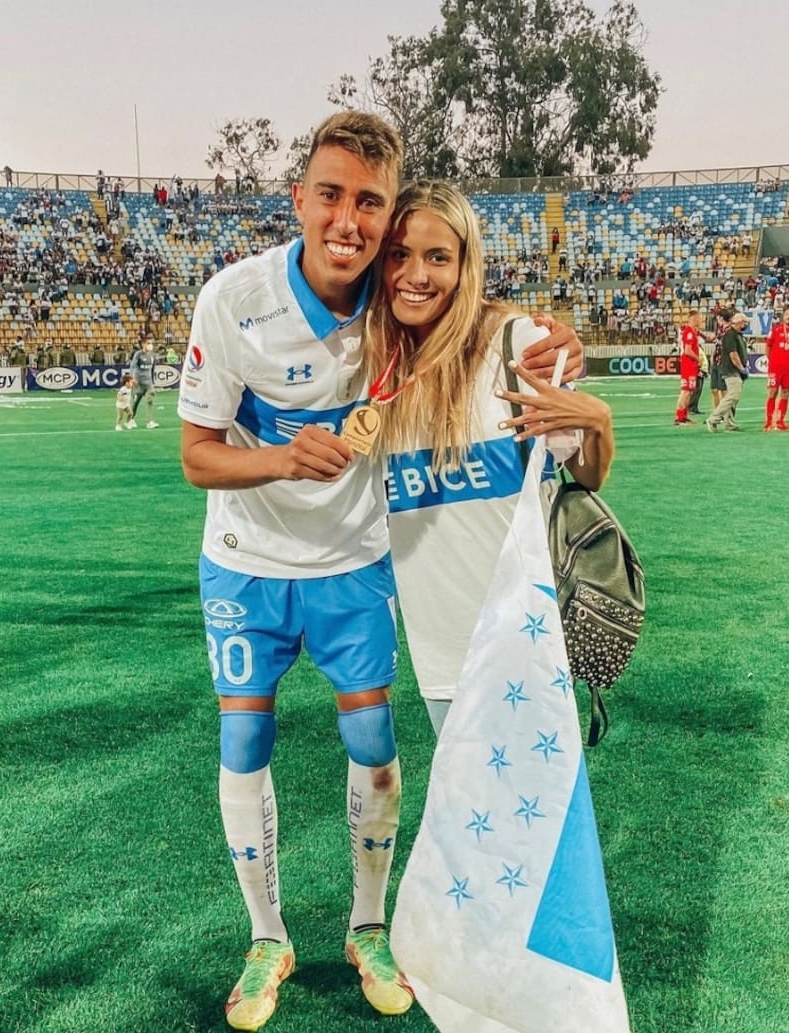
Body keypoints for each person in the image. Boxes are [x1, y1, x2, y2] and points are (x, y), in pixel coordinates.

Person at [178, 113, 584, 1033]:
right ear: (299, 199)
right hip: (244, 564)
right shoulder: (232, 300)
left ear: (388, 211)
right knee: (243, 744)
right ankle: (267, 937)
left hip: (354, 564)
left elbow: (466, 309)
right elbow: (197, 454)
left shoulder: (390, 300)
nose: (349, 221)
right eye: (331, 195)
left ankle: (368, 926)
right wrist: (281, 459)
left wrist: (553, 339)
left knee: (375, 750)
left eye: (369, 202)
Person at [364, 179, 613, 736]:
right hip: (438, 650)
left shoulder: (517, 344)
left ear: (464, 266)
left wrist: (598, 420)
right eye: (399, 255)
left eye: (438, 257)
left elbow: (587, 474)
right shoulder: (373, 364)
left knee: (539, 794)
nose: (416, 274)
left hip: (527, 640)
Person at [706, 311, 750, 432]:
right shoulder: (730, 335)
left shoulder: (737, 335)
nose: (746, 325)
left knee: (733, 398)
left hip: (734, 370)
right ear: (739, 323)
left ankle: (729, 423)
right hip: (731, 370)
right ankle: (713, 418)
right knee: (733, 395)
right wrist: (742, 369)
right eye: (744, 322)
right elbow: (733, 355)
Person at [674, 309, 714, 424]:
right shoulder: (689, 333)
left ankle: (683, 416)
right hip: (688, 365)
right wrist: (698, 359)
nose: (700, 321)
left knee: (689, 391)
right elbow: (688, 351)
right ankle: (679, 417)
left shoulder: (692, 331)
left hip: (691, 365)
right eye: (699, 318)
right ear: (694, 319)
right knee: (686, 391)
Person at [763, 306, 789, 431]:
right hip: (775, 368)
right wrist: (772, 361)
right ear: (783, 316)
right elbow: (768, 346)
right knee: (772, 392)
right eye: (787, 314)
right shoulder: (775, 330)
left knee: (785, 393)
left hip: (788, 369)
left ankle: (780, 422)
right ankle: (768, 422)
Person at [129, 338, 159, 428]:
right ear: (143, 344)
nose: (150, 345)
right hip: (138, 383)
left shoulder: (153, 356)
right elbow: (132, 366)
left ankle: (150, 421)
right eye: (148, 343)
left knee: (150, 400)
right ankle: (131, 419)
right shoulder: (138, 354)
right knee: (136, 402)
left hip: (148, 383)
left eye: (151, 343)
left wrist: (153, 382)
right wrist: (132, 379)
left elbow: (153, 369)